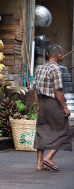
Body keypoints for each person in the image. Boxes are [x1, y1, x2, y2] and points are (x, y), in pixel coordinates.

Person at [33, 44, 72, 172]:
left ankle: (39, 165)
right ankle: (49, 158)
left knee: (42, 131)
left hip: (43, 103)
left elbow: (35, 89)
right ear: (59, 56)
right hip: (53, 104)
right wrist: (65, 107)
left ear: (48, 55)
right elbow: (58, 91)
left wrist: (38, 105)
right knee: (64, 131)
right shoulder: (56, 69)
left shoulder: (39, 68)